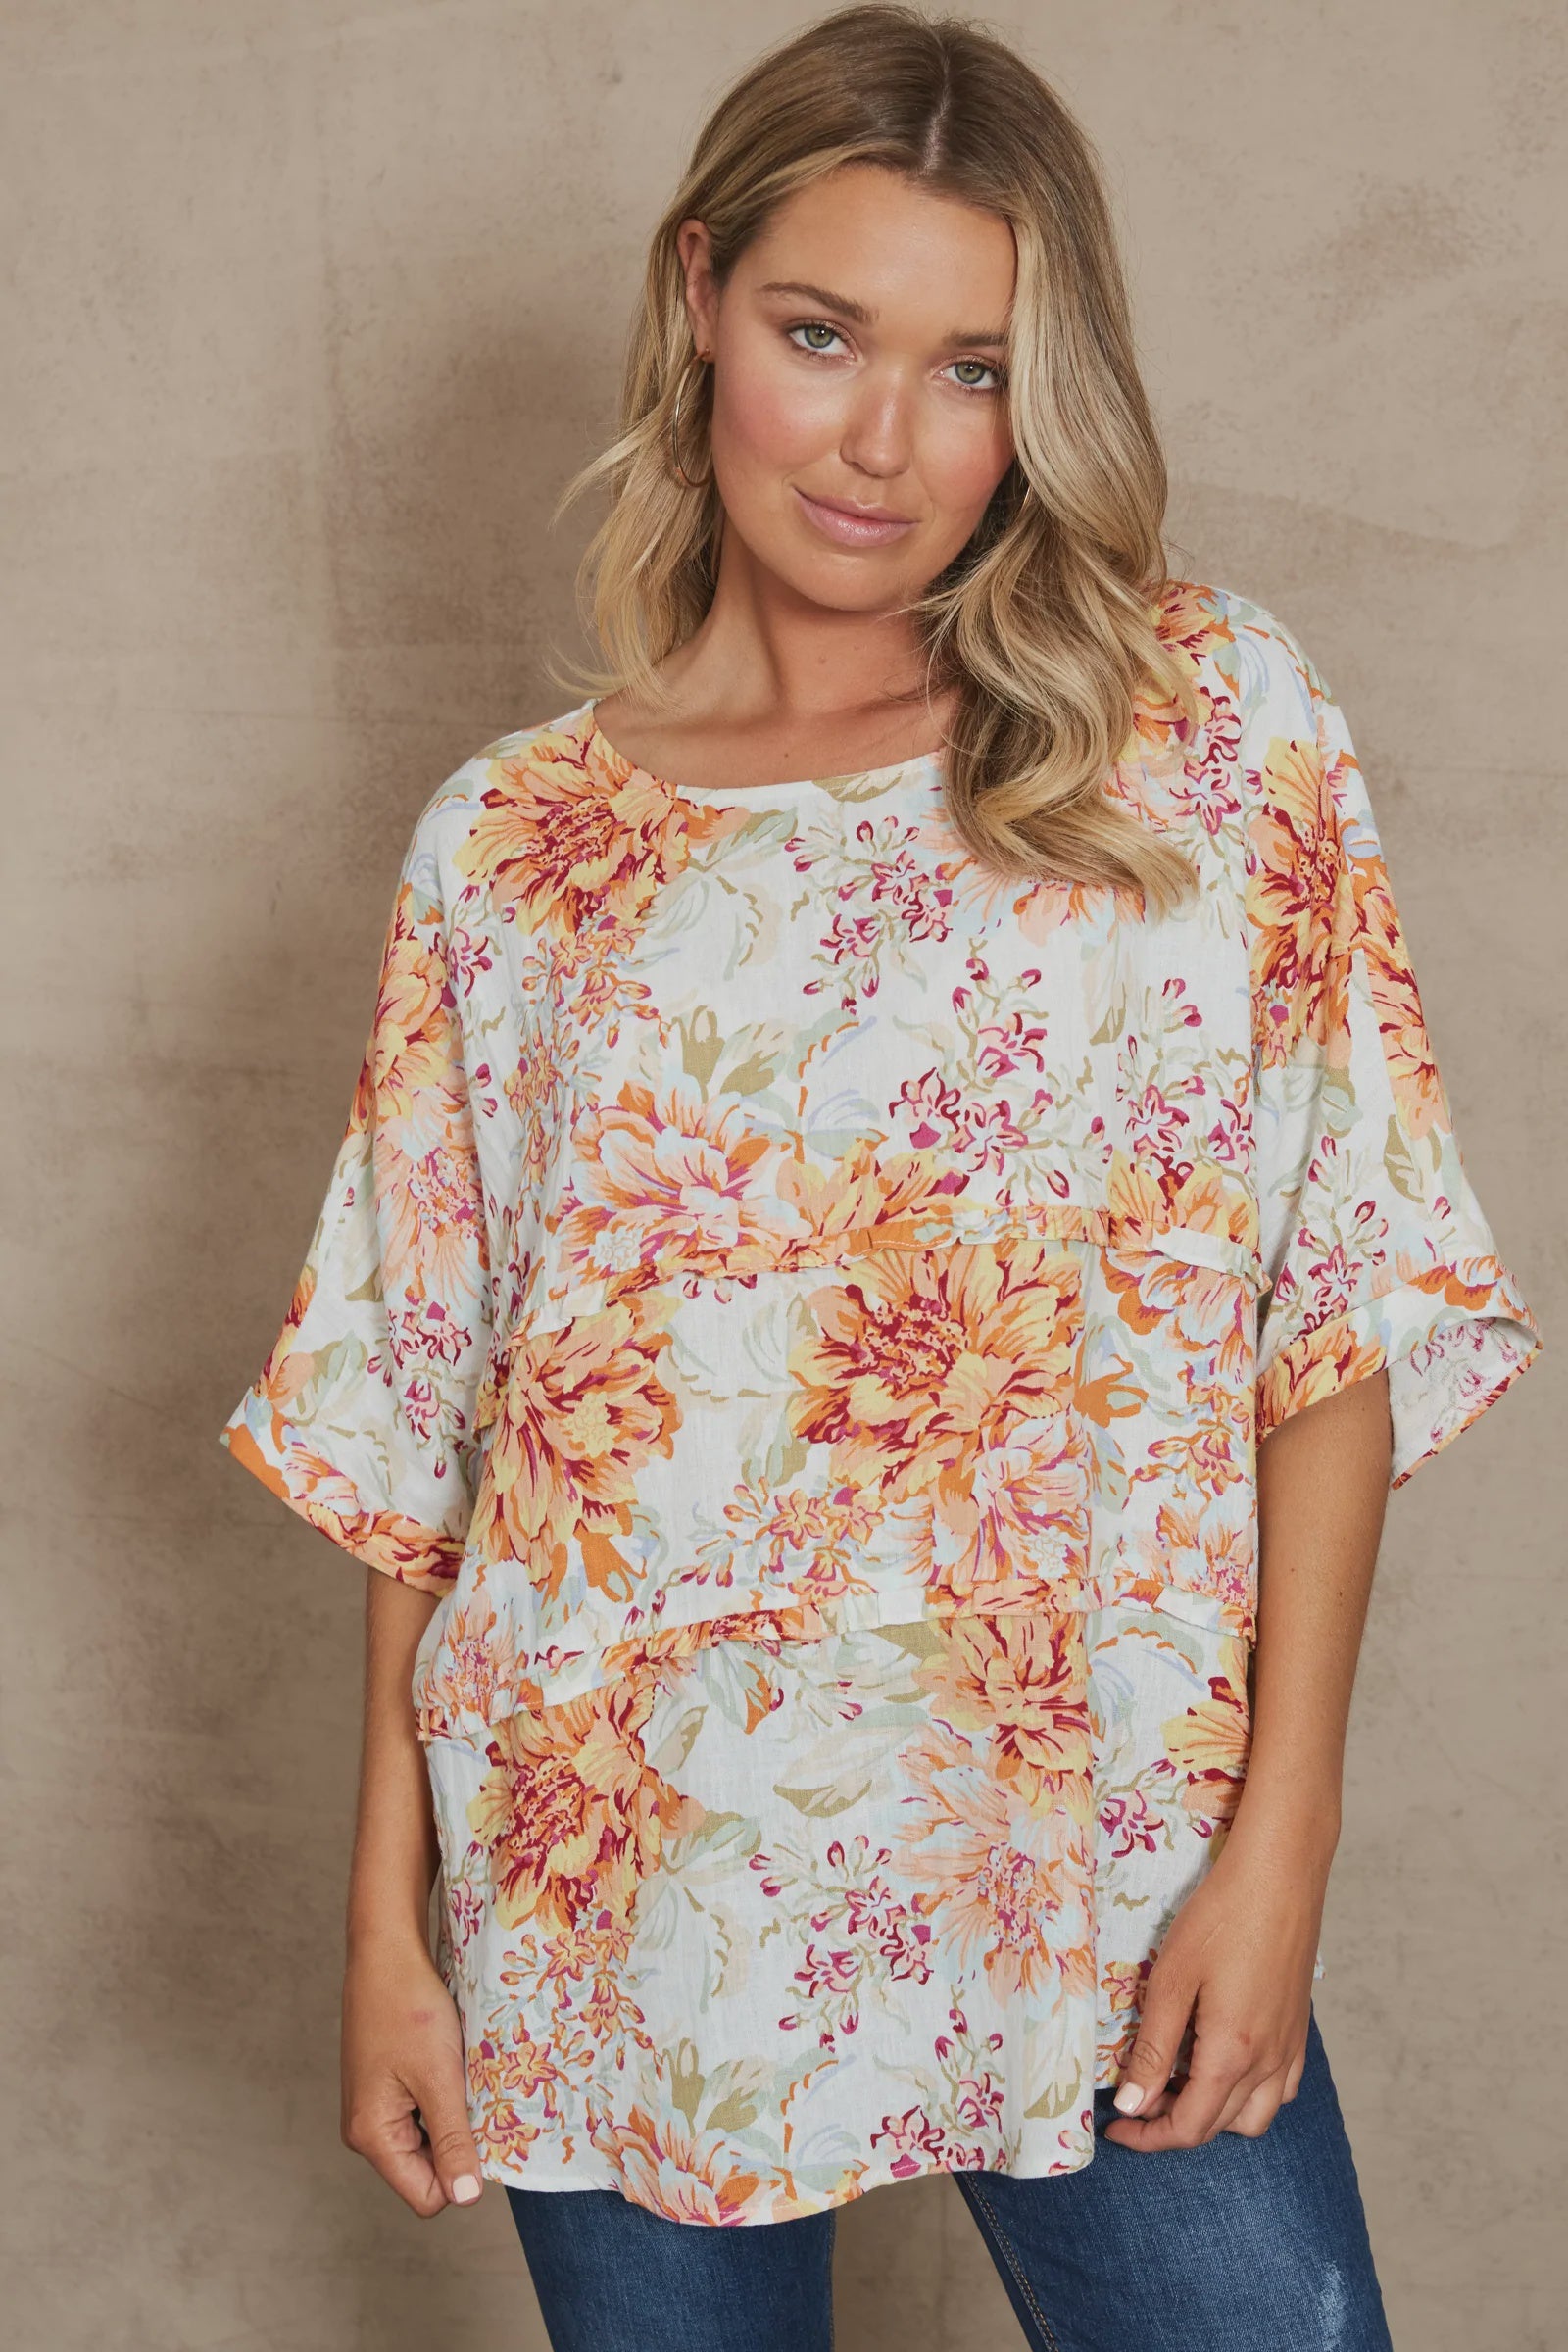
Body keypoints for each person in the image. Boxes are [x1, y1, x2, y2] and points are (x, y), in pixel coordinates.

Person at [220, 9, 1542, 2347]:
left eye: (969, 369)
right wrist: (381, 1940)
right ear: (698, 298)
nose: (875, 441)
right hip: (615, 1876)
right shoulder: (514, 849)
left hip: (1099, 1852)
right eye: (819, 334)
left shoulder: (1198, 725)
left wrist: (1280, 1842)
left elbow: (1328, 1303)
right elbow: (434, 1438)